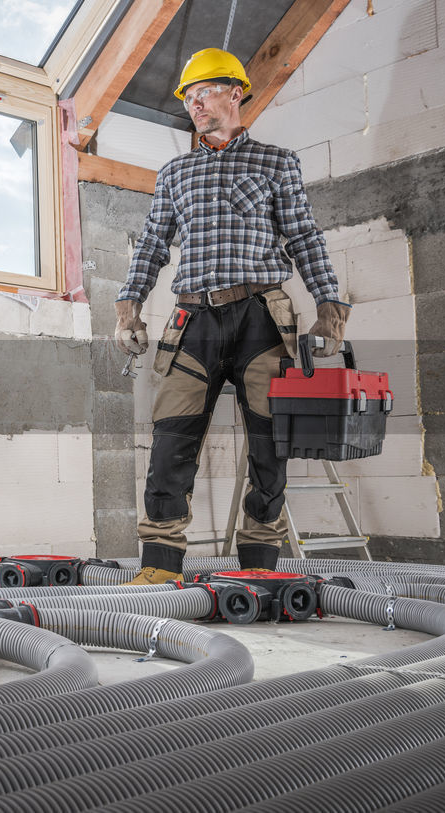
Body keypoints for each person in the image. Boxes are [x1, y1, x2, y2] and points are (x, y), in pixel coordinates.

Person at [113, 48, 351, 585]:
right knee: (172, 435)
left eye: (205, 92)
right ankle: (160, 565)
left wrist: (330, 307)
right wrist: (129, 306)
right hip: (193, 319)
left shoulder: (275, 161)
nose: (195, 104)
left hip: (262, 316)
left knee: (270, 440)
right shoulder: (175, 172)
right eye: (189, 98)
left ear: (236, 92)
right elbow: (152, 243)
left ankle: (261, 565)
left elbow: (305, 237)